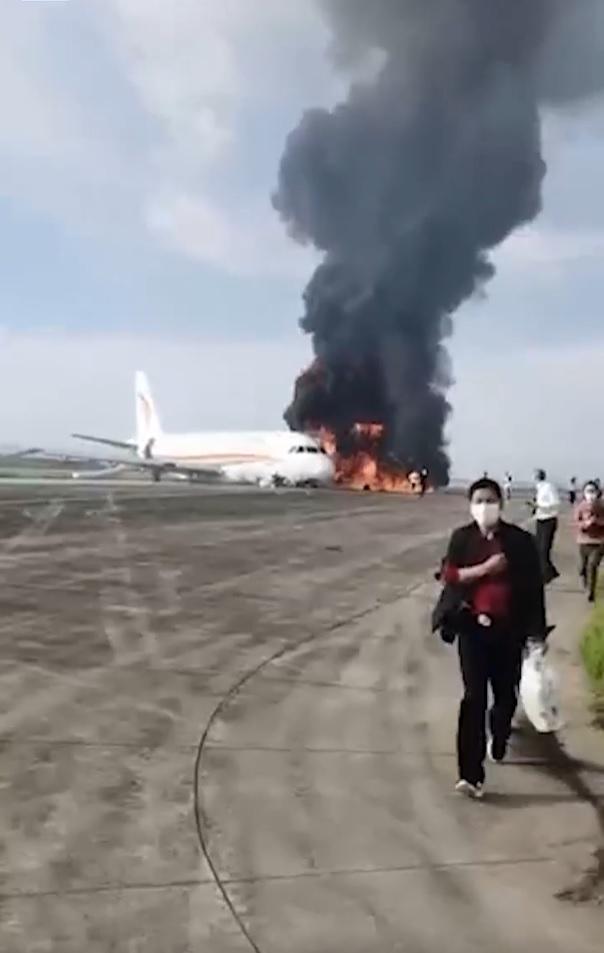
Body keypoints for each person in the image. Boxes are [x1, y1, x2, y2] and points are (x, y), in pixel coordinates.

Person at [432, 477, 547, 800]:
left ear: (500, 504)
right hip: (472, 629)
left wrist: (536, 633)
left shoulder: (520, 542)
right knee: (473, 698)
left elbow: (533, 590)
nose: (485, 506)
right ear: (471, 505)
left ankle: (499, 733)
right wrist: (483, 570)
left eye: (490, 500)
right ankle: (470, 774)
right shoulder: (463, 539)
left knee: (505, 695)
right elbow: (450, 574)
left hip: (508, 630)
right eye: (479, 500)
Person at [574, 481, 604, 603]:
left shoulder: (602, 507)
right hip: (583, 541)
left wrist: (597, 522)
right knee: (582, 567)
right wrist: (584, 524)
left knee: (592, 565)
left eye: (593, 491)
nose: (591, 494)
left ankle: (590, 592)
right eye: (588, 491)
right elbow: (576, 522)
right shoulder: (580, 506)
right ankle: (586, 584)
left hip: (599, 542)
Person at [532, 468, 560, 584]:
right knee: (538, 548)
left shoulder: (548, 487)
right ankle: (550, 572)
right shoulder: (539, 488)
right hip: (540, 519)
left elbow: (555, 503)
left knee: (544, 549)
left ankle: (546, 575)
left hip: (549, 520)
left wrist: (540, 506)